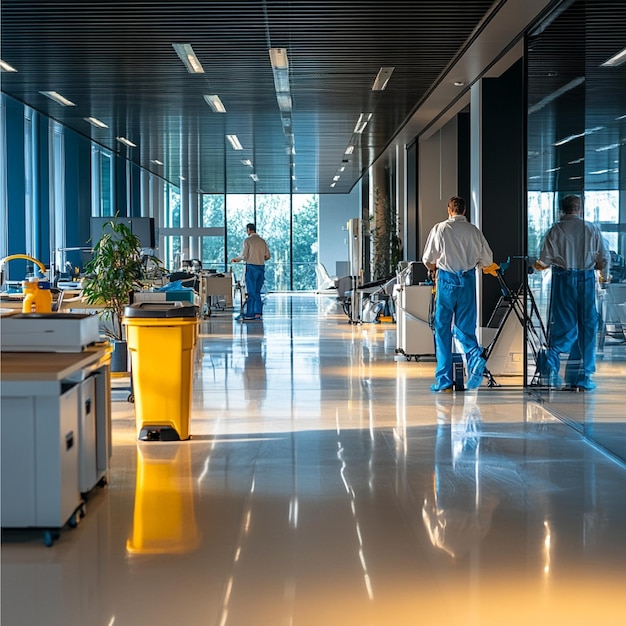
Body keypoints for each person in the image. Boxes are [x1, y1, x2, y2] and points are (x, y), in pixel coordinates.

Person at [534, 194, 610, 390]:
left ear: (562, 210)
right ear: (580, 208)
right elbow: (604, 257)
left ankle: (551, 365)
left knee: (564, 326)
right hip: (586, 279)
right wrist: (603, 276)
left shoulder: (555, 229)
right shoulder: (591, 228)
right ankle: (581, 378)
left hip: (563, 280)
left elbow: (544, 260)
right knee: (588, 327)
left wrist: (537, 266)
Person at [422, 196, 494, 392]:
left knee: (442, 329)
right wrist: (474, 264)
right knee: (465, 328)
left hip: (446, 282)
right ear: (464, 211)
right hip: (468, 282)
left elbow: (428, 259)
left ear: (449, 210)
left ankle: (444, 381)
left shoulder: (440, 229)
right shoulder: (474, 231)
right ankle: (474, 359)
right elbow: (487, 260)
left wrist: (433, 267)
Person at [231, 223, 271, 320]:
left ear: (249, 230)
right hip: (261, 268)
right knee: (257, 291)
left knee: (251, 291)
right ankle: (258, 312)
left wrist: (236, 259)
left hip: (251, 268)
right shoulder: (262, 241)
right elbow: (268, 256)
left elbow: (244, 256)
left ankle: (250, 313)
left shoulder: (248, 240)